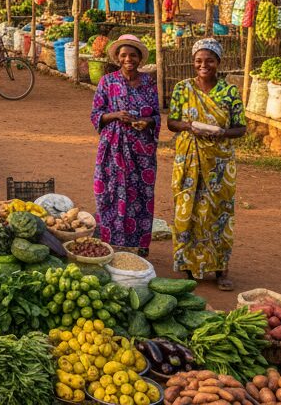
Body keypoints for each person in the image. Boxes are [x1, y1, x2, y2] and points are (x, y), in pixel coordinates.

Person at [165, 38, 245, 289]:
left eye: (209, 60)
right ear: (193, 62)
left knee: (219, 213)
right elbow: (171, 122)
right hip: (188, 158)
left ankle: (221, 269)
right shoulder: (183, 88)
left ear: (218, 62)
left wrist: (222, 132)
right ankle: (189, 265)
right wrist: (189, 126)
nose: (203, 65)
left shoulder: (229, 92)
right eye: (199, 60)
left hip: (219, 162)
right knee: (187, 210)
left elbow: (241, 128)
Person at [89, 34, 161, 255]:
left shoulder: (148, 82)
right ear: (118, 58)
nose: (128, 59)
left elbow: (156, 115)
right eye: (124, 55)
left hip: (142, 150)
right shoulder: (107, 81)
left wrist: (145, 122)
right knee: (110, 190)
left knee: (141, 193)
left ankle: (140, 242)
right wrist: (116, 115)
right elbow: (96, 114)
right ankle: (110, 239)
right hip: (113, 147)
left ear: (139, 58)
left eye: (133, 55)